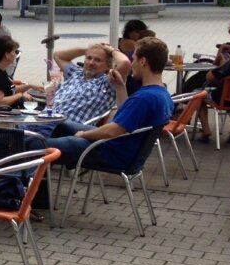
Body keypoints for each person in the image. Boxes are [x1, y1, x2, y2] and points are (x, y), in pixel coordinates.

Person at [47, 37, 174, 168]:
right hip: (125, 150)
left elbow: (112, 131)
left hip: (110, 152)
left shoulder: (144, 98)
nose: (132, 63)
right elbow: (125, 114)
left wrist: (83, 135)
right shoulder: (162, 93)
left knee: (36, 145)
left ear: (142, 62)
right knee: (61, 126)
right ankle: (39, 176)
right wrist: (120, 87)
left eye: (134, 58)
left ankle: (36, 181)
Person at [30, 44, 130, 137]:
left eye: (98, 60)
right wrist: (89, 50)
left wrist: (111, 50)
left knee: (25, 141)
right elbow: (58, 55)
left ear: (108, 66)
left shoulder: (108, 82)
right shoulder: (76, 73)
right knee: (17, 133)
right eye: (88, 58)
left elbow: (125, 63)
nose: (91, 63)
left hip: (63, 129)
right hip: (40, 120)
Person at [0, 37, 39, 108]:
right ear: (7, 55)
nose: (15, 54)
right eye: (15, 51)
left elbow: (9, 90)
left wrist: (29, 86)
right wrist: (20, 95)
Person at [195, 56, 230, 143]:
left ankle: (206, 130)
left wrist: (222, 65)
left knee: (198, 94)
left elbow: (209, 77)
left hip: (223, 100)